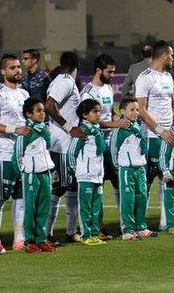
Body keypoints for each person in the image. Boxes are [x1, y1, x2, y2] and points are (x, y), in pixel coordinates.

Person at [79, 54, 129, 240]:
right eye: (110, 71)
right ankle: (97, 227)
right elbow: (91, 122)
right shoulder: (88, 93)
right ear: (98, 70)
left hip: (112, 145)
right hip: (96, 147)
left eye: (114, 71)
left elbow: (109, 114)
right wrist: (116, 125)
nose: (113, 75)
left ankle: (125, 223)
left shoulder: (107, 88)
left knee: (119, 184)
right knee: (97, 186)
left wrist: (118, 119)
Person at [0, 53, 30, 253]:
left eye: (19, 67)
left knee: (21, 199)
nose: (18, 70)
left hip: (23, 155)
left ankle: (18, 239)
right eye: (13, 68)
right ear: (3, 71)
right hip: (4, 155)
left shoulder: (24, 95)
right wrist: (16, 130)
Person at [134, 40, 174, 232]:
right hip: (153, 137)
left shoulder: (168, 77)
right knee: (148, 181)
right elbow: (141, 110)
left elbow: (173, 105)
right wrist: (160, 131)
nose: (173, 59)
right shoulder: (145, 78)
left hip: (170, 136)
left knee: (168, 179)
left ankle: (164, 222)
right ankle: (139, 223)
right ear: (164, 55)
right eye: (171, 55)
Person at [45, 51, 85, 244]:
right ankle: (46, 233)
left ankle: (71, 231)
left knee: (70, 186)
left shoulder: (60, 80)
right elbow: (50, 106)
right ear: (76, 66)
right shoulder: (66, 81)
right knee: (59, 187)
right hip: (61, 143)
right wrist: (69, 127)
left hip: (65, 143)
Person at [14, 97, 56, 253]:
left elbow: (47, 149)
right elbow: (17, 155)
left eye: (43, 110)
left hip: (45, 173)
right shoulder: (26, 132)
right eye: (38, 110)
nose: (42, 113)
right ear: (28, 114)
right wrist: (25, 172)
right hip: (31, 175)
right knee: (30, 209)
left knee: (44, 208)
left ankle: (41, 239)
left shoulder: (44, 129)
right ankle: (29, 241)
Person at [110, 97, 155, 240]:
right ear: (122, 111)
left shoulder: (138, 127)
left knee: (142, 197)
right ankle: (128, 230)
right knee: (128, 200)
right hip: (126, 169)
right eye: (132, 109)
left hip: (140, 168)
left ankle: (141, 227)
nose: (136, 112)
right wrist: (119, 168)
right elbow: (113, 150)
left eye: (137, 109)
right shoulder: (120, 129)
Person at [67, 99, 107, 246]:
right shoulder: (81, 131)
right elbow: (71, 153)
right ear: (85, 114)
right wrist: (77, 171)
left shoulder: (96, 131)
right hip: (85, 175)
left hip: (97, 175)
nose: (98, 114)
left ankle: (95, 235)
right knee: (86, 208)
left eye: (99, 111)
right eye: (95, 111)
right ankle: (86, 235)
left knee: (96, 207)